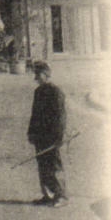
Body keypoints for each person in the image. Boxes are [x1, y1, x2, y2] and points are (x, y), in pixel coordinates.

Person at [26, 61, 69, 207]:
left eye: (38, 75)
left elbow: (61, 116)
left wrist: (59, 136)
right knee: (43, 165)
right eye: (35, 74)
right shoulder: (38, 92)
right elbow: (34, 114)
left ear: (46, 74)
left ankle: (61, 196)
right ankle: (48, 195)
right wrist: (31, 132)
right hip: (40, 135)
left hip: (52, 135)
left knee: (54, 165)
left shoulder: (56, 92)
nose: (36, 78)